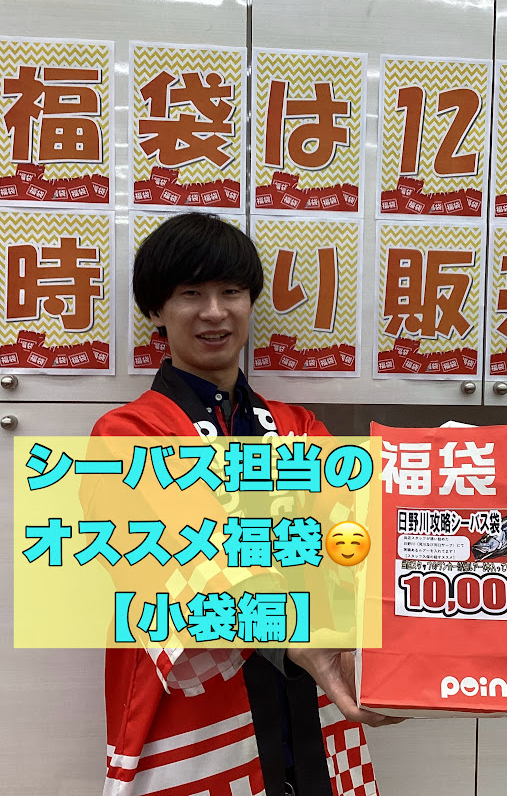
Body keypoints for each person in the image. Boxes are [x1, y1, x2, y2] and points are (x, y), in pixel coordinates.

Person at [84, 212, 397, 796]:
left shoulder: (299, 426)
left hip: (313, 700)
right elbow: (167, 571)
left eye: (231, 292)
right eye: (190, 294)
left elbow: (354, 541)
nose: (215, 311)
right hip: (197, 711)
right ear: (156, 311)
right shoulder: (128, 433)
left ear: (251, 303)